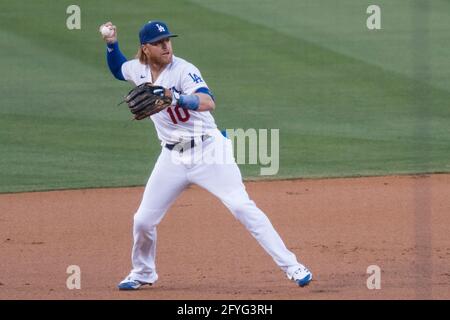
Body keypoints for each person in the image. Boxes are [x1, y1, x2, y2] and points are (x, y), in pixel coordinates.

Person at [99, 20, 312, 290]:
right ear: (145, 48)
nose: (167, 46)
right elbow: (119, 68)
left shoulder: (184, 70)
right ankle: (142, 272)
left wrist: (177, 98)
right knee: (142, 220)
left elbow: (208, 101)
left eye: (168, 40)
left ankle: (293, 266)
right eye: (159, 43)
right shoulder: (139, 69)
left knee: (241, 206)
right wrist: (111, 44)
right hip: (171, 158)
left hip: (209, 150)